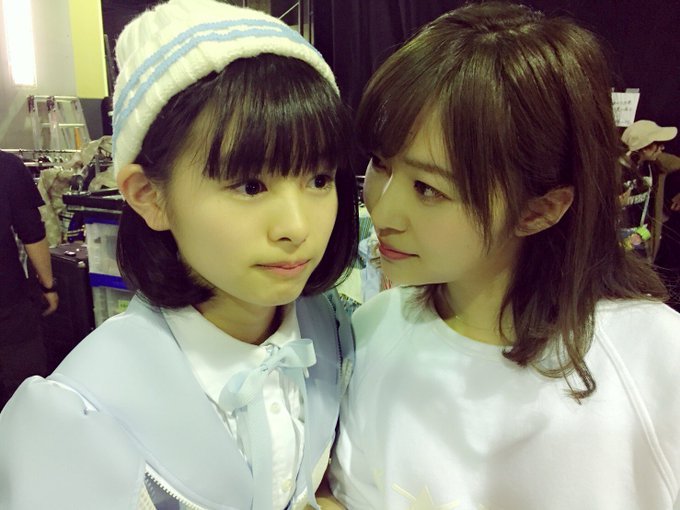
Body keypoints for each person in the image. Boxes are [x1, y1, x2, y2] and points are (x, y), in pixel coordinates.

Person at [0, 1, 357, 509]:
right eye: (250, 186)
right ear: (149, 196)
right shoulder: (78, 415)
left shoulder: (333, 332)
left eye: (319, 179)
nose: (297, 227)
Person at [329, 3, 680, 509]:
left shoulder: (653, 358)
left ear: (539, 210)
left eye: (428, 188)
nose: (382, 209)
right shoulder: (372, 330)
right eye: (381, 165)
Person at [0, 150, 56, 410]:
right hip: (8, 304)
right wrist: (48, 286)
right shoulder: (7, 167)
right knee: (25, 395)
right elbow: (32, 232)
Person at [619, 119, 678, 257]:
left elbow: (676, 162)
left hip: (641, 235)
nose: (662, 148)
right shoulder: (615, 169)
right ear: (644, 147)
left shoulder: (655, 164)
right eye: (658, 144)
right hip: (615, 238)